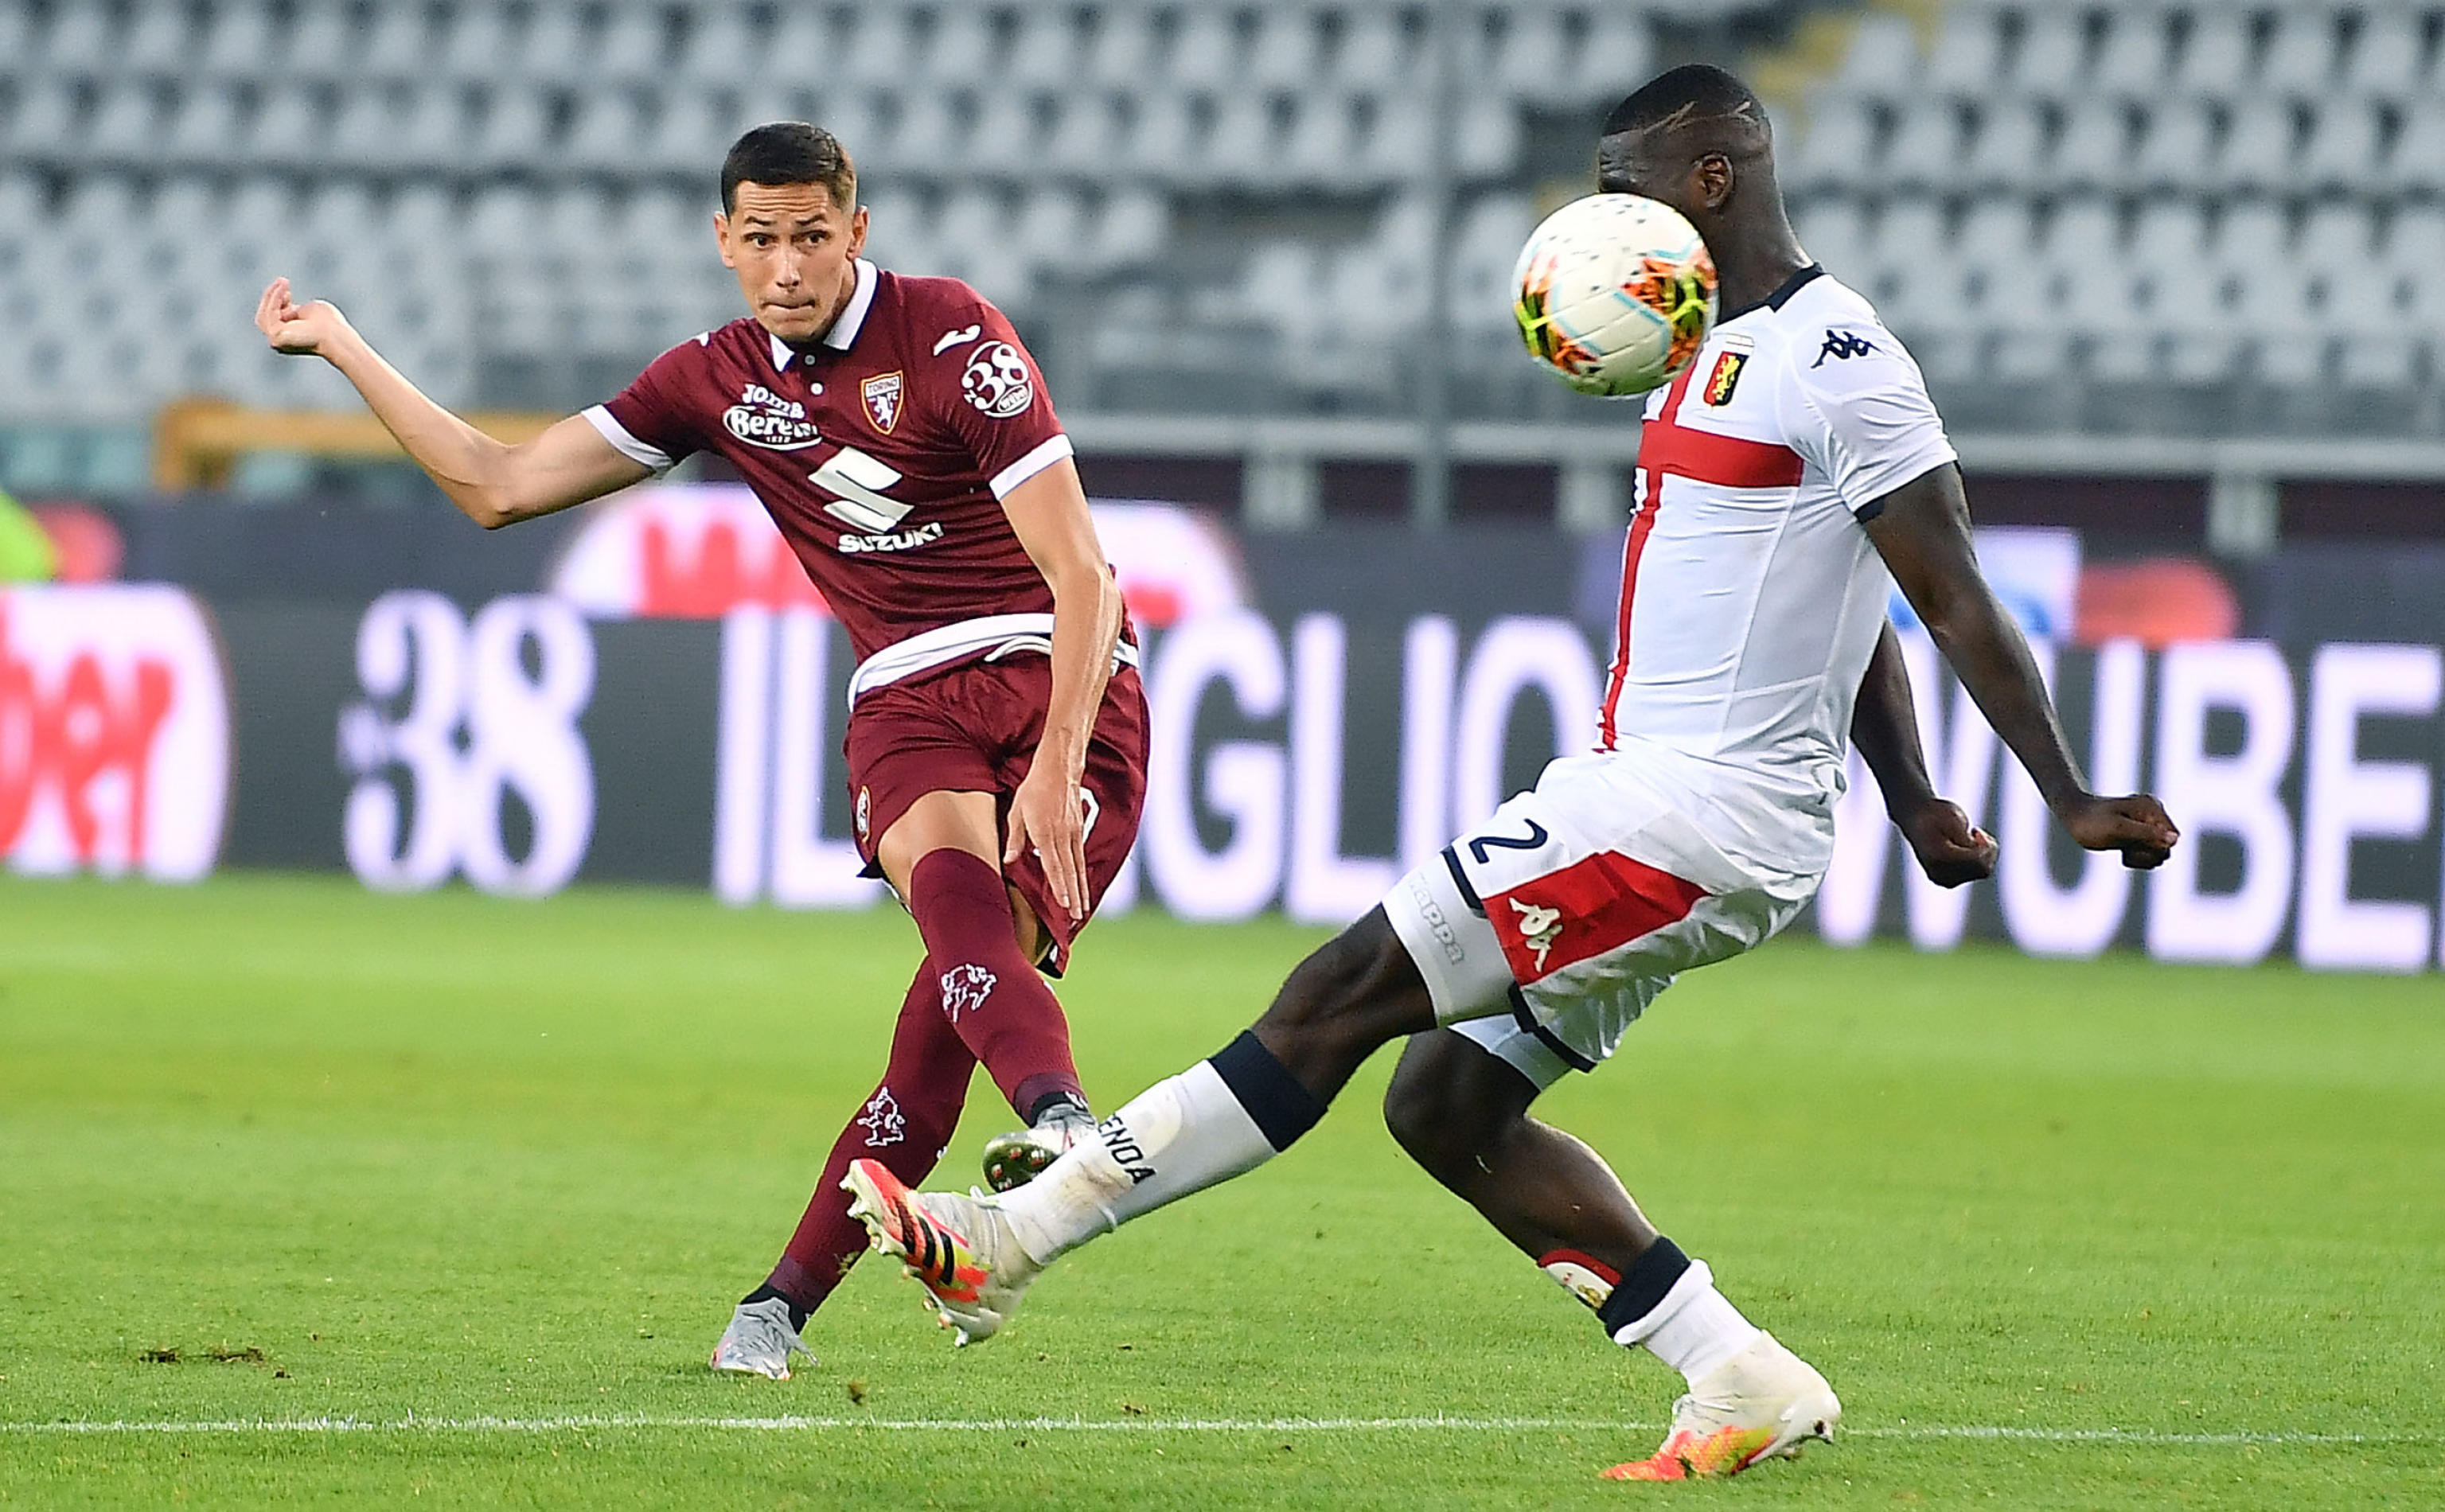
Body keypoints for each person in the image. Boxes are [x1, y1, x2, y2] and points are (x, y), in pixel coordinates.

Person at [842, 66, 2181, 1483]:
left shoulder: (1839, 357)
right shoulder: (1710, 351)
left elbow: (1950, 587)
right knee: (1446, 1107)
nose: (1609, 215)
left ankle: (1012, 1241)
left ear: (1712, 179)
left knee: (1336, 995)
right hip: (1674, 802)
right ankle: (1736, 1369)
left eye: (1632, 183)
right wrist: (1910, 799)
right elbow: (1838, 607)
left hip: (1687, 815)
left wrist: (2067, 793)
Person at [255, 123, 1147, 1381]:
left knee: (937, 1037)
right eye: (763, 239)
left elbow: (1084, 576)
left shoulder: (953, 336)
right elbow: (500, 485)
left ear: (857, 232)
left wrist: (1057, 767)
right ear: (724, 241)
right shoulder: (711, 379)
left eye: (814, 237)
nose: (789, 266)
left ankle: (779, 1306)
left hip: (1061, 670)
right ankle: (1062, 1125)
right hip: (906, 691)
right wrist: (343, 344)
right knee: (957, 914)